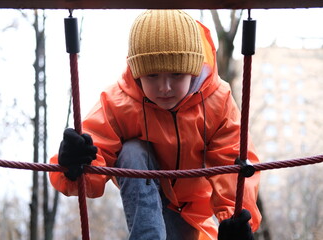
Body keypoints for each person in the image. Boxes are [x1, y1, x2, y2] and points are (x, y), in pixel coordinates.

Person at [49, 9, 262, 240]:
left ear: (193, 69)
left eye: (177, 74)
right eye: (152, 76)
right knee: (132, 151)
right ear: (137, 73)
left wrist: (232, 217)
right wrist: (73, 164)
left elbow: (231, 159)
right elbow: (93, 149)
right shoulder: (120, 102)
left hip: (192, 217)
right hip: (145, 203)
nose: (165, 87)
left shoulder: (216, 101)